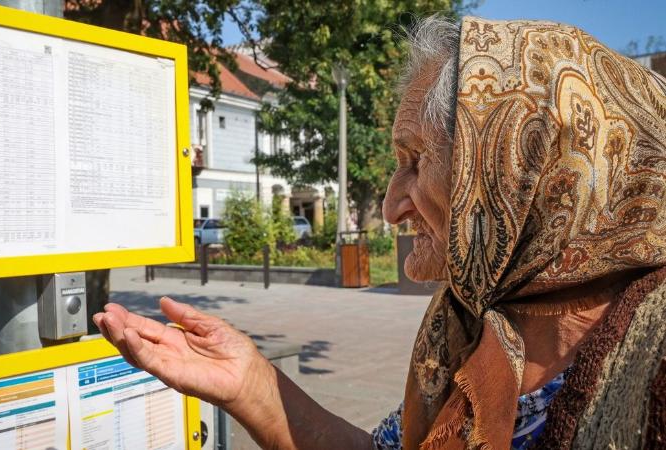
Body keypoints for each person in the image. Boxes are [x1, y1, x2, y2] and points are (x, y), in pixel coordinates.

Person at [93, 16, 666, 449]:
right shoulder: (472, 321)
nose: (392, 207)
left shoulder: (654, 357)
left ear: (526, 168)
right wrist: (253, 385)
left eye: (416, 159)